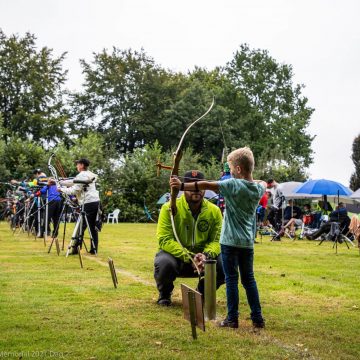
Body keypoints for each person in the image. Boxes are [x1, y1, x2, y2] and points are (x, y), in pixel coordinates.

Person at [170, 147, 266, 329]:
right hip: (247, 243)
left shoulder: (232, 185)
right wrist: (251, 175)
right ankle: (258, 318)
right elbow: (261, 182)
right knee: (249, 279)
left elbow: (204, 185)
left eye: (230, 168)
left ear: (238, 169)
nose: (229, 171)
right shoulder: (259, 189)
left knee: (231, 279)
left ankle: (232, 319)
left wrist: (180, 186)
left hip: (230, 242)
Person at [154, 170, 225, 306]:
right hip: (178, 258)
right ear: (183, 188)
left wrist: (206, 255)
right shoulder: (168, 208)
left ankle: (202, 291)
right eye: (191, 186)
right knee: (164, 262)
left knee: (226, 263)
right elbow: (165, 240)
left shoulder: (215, 211)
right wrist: (190, 257)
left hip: (204, 260)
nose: (196, 190)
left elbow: (217, 241)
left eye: (199, 186)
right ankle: (165, 293)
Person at [59, 158, 100, 254]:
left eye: (77, 164)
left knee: (81, 226)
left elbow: (74, 190)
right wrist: (61, 182)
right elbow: (74, 181)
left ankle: (75, 248)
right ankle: (94, 249)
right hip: (95, 202)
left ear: (81, 165)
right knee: (92, 226)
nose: (76, 166)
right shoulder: (88, 174)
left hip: (88, 203)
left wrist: (61, 189)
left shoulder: (82, 175)